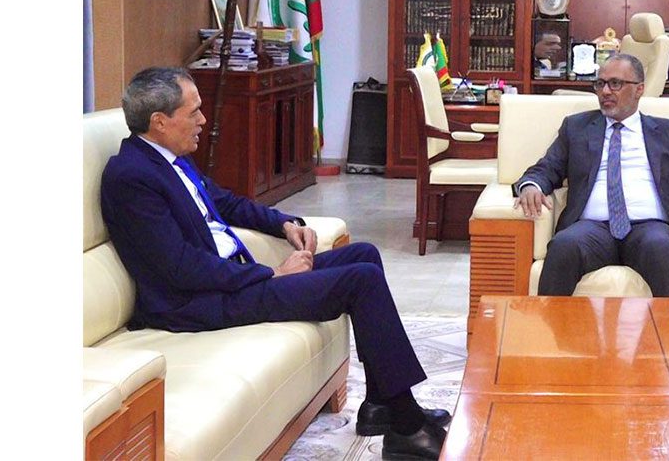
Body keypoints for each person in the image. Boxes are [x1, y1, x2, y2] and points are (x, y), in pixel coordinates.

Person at [100, 67, 446, 461]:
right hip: (197, 303)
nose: (203, 120)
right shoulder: (131, 177)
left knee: (363, 254)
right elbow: (181, 268)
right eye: (193, 112)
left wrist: (285, 224)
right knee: (361, 280)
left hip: (229, 281)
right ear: (159, 121)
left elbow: (226, 203)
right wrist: (273, 273)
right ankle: (406, 427)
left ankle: (381, 402)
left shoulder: (169, 158)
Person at [513, 54, 669, 339]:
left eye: (615, 84)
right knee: (563, 246)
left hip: (650, 227)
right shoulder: (576, 128)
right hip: (592, 228)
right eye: (600, 84)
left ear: (639, 88)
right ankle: (547, 346)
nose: (605, 91)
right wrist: (531, 186)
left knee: (660, 247)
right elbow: (547, 168)